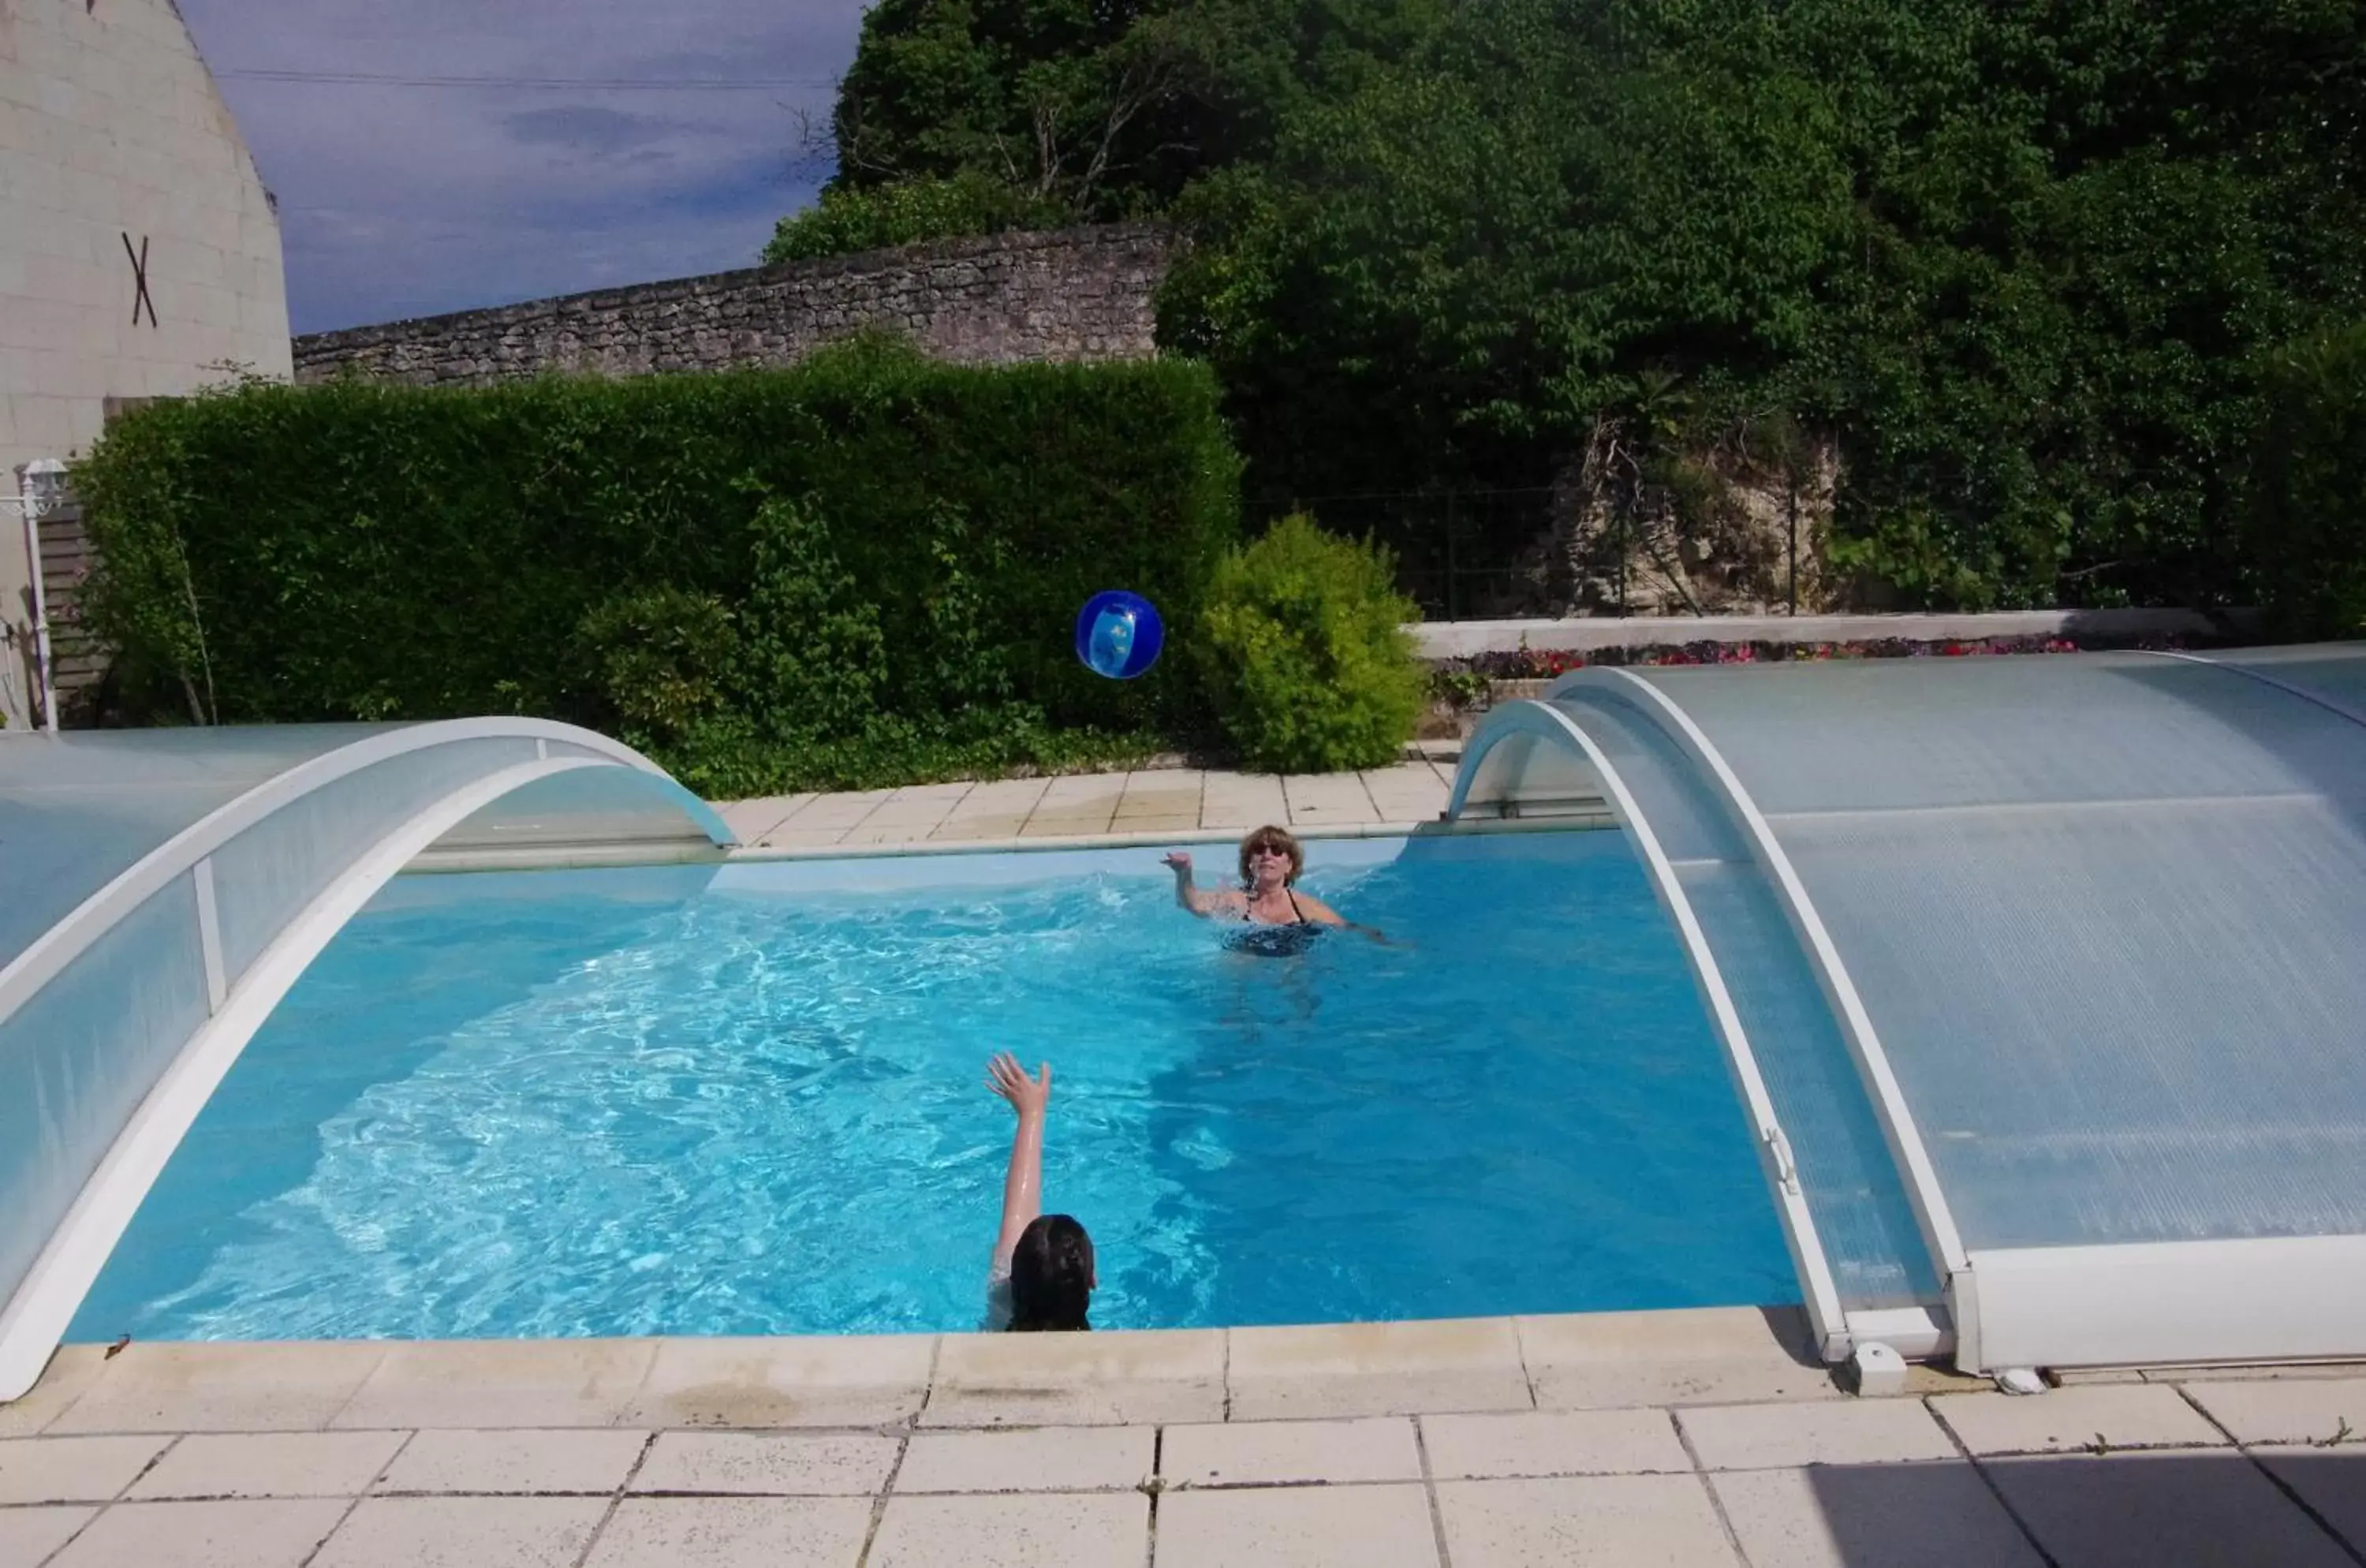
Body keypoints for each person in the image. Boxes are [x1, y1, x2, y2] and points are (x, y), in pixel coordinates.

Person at [983, 1051, 1095, 1332]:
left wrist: (1031, 1114)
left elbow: (1017, 1212)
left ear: (1010, 1280)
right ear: (1093, 1281)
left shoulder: (1001, 1300)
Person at [1162, 824, 1389, 955]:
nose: (1267, 855)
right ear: (1250, 862)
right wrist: (1184, 872)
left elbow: (1347, 927)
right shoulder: (1236, 900)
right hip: (1245, 957)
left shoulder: (1304, 906)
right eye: (1260, 850)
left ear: (1289, 865)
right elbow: (1193, 904)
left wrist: (1385, 942)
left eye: (1277, 850)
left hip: (1291, 957)